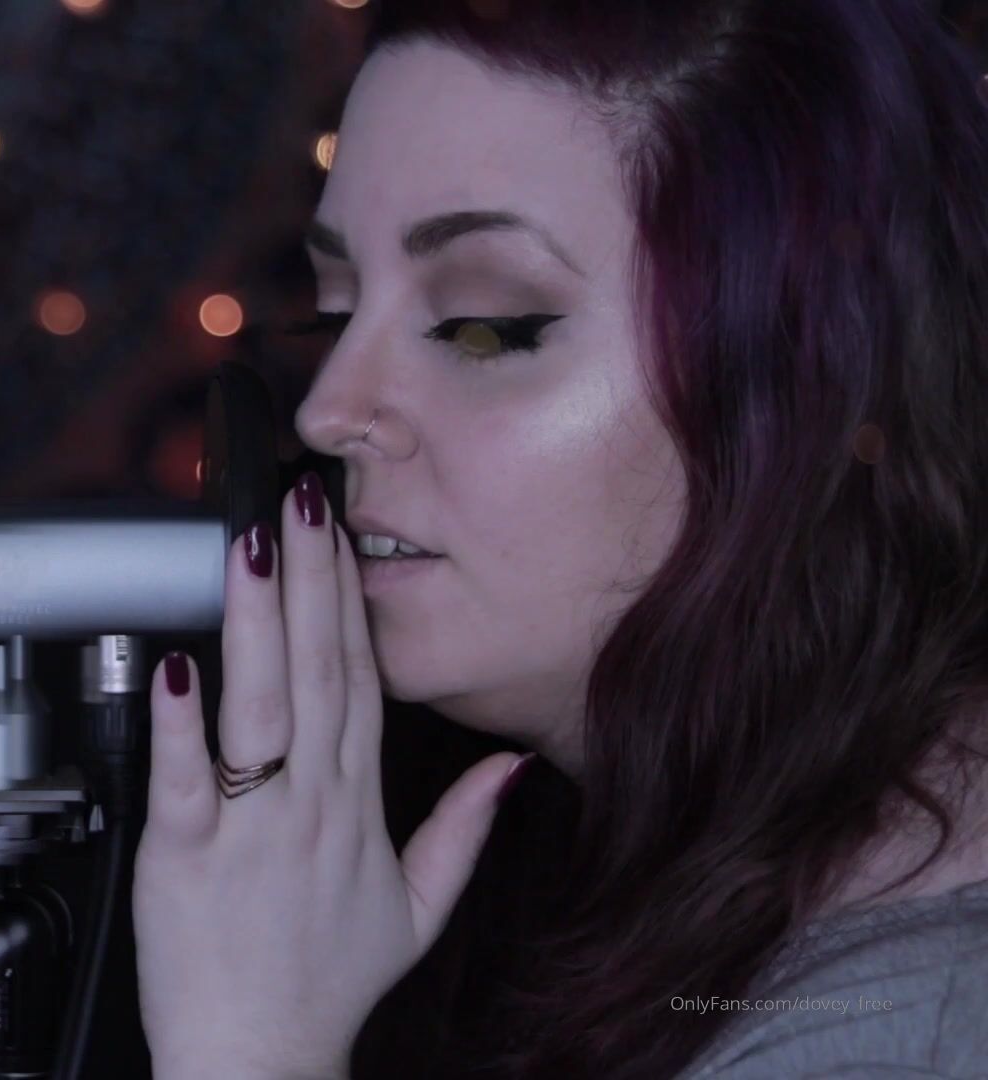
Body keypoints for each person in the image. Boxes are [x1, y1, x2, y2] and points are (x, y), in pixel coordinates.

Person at [130, 0, 988, 1077]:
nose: (329, 410)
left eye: (484, 325)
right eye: (335, 312)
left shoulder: (895, 1039)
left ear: (815, 376)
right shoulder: (717, 925)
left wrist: (248, 1050)